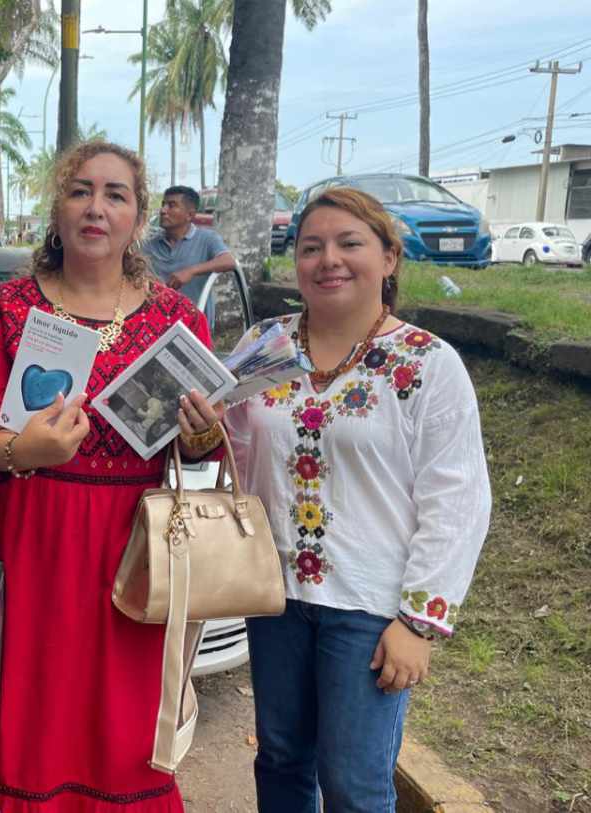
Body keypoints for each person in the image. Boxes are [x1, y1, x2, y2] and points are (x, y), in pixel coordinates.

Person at [178, 187, 492, 812]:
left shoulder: (427, 364)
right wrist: (200, 437)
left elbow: (457, 496)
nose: (329, 260)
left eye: (350, 244)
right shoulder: (266, 344)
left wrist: (419, 623)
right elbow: (237, 454)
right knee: (282, 761)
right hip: (276, 596)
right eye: (311, 247)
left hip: (371, 607)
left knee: (353, 782)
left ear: (389, 258)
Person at [0, 140, 215, 812]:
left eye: (115, 194)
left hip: (136, 544)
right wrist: (19, 450)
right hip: (30, 536)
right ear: (57, 210)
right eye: (80, 191)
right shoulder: (8, 309)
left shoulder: (177, 320)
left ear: (138, 216)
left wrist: (202, 430)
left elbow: (204, 447)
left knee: (122, 719)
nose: (96, 207)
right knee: (31, 711)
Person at [141, 185, 236, 324]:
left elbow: (229, 261)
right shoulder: (150, 243)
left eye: (171, 205)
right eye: (163, 205)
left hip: (195, 325)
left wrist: (191, 271)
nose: (163, 210)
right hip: (157, 324)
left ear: (190, 215)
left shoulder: (207, 238)